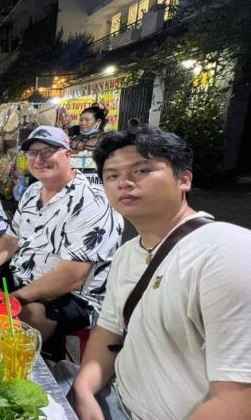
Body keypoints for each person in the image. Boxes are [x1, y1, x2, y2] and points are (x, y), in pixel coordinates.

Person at [70, 126, 251, 420]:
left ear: (184, 179)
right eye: (111, 175)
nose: (124, 183)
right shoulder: (128, 253)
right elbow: (110, 332)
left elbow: (240, 401)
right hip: (113, 401)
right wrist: (84, 389)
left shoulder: (228, 251)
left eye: (141, 171)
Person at [0, 126, 123, 342]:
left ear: (68, 154)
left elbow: (71, 278)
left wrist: (13, 299)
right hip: (20, 280)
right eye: (33, 153)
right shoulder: (32, 191)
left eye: (48, 151)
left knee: (2, 327)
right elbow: (11, 239)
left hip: (71, 297)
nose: (39, 159)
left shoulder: (91, 202)